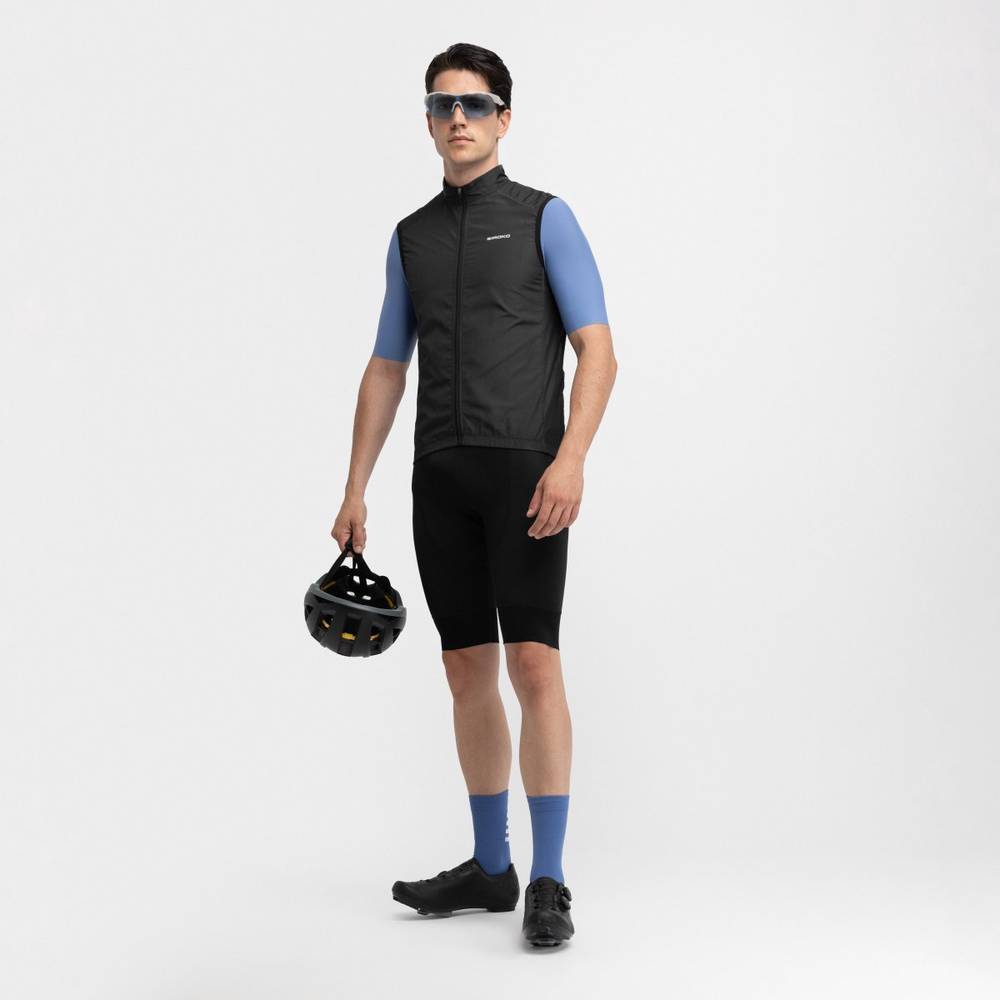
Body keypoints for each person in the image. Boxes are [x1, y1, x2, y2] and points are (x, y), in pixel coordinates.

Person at [330, 42, 618, 948]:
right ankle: (492, 868)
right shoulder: (410, 236)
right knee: (465, 669)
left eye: (476, 103)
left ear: (504, 118)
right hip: (440, 477)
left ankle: (550, 878)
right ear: (428, 121)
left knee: (534, 663)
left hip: (527, 472)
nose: (458, 117)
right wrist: (355, 485)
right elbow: (387, 365)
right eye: (442, 104)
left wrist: (571, 460)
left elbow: (599, 350)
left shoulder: (544, 218)